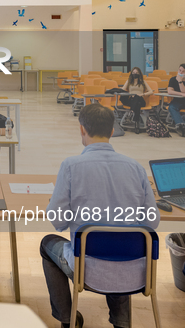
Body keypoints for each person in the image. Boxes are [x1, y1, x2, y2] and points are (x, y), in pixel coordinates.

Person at [41, 104, 159, 328]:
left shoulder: (71, 166)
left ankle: (68, 319)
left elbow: (58, 221)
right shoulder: (135, 167)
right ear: (112, 131)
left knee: (47, 244)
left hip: (87, 270)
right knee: (121, 237)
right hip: (135, 273)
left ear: (82, 129)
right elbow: (151, 222)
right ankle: (122, 322)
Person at [120, 67, 153, 134]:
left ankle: (132, 111)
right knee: (137, 103)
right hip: (132, 101)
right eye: (134, 73)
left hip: (141, 100)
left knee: (137, 97)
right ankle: (136, 123)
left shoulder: (143, 82)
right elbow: (122, 90)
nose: (135, 74)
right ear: (131, 74)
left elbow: (151, 91)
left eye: (137, 73)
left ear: (139, 74)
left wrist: (143, 94)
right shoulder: (129, 81)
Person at [167, 63, 185, 136]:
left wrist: (180, 82)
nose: (180, 72)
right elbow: (170, 91)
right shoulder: (173, 79)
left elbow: (183, 90)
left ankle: (181, 120)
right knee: (171, 107)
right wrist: (181, 94)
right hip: (177, 101)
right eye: (179, 70)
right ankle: (181, 126)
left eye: (183, 71)